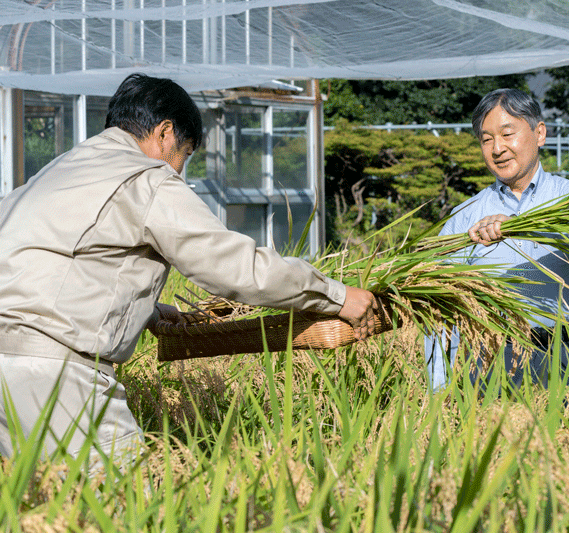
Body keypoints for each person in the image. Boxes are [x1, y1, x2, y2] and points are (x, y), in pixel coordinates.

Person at [0, 73, 378, 465]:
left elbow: (61, 267)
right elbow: (233, 267)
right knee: (128, 508)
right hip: (55, 375)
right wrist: (336, 295)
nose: (179, 170)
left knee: (36, 510)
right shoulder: (145, 179)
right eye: (184, 155)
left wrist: (145, 310)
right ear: (165, 133)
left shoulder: (56, 173)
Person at [425, 88, 569, 392]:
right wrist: (438, 389)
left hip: (567, 356)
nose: (497, 149)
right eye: (486, 139)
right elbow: (439, 307)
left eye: (507, 134)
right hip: (488, 360)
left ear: (539, 133)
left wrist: (519, 227)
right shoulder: (465, 217)